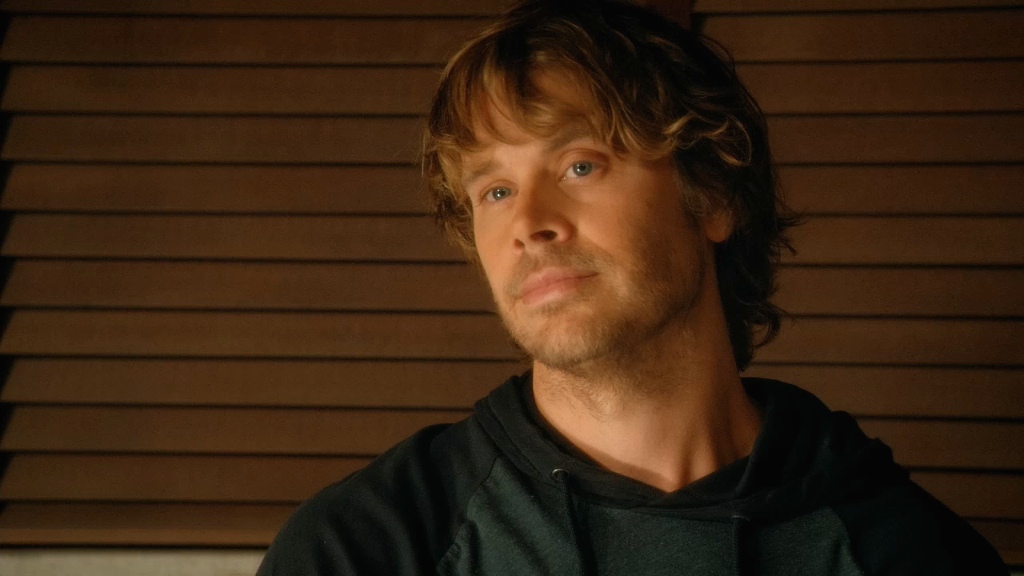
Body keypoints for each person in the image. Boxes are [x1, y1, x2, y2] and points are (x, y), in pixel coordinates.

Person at [257, 1, 1008, 574]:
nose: (528, 224)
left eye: (579, 166)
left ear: (712, 197)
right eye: (494, 191)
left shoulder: (905, 550)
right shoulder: (367, 546)